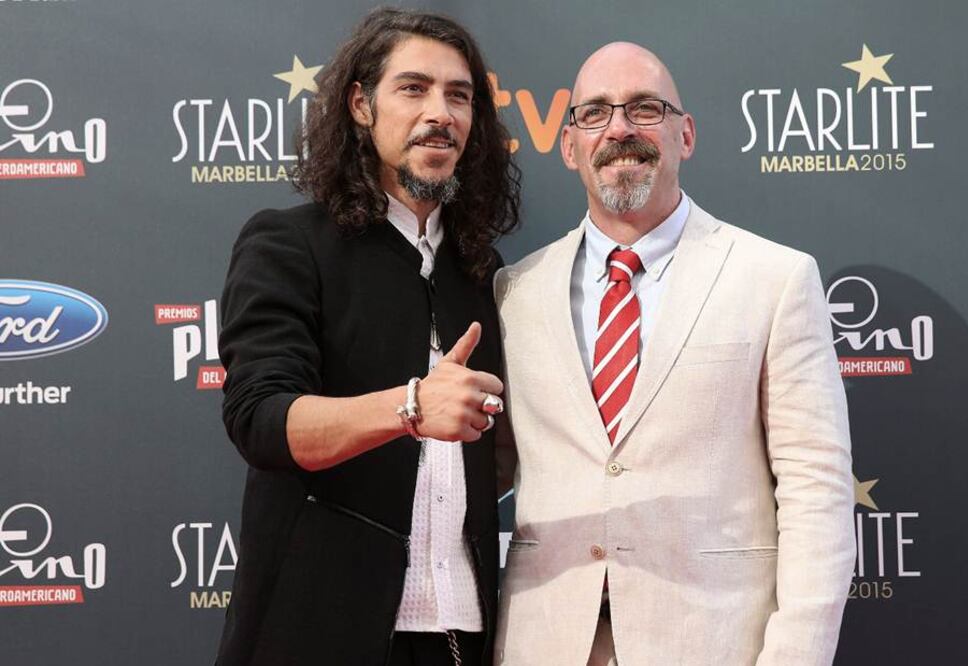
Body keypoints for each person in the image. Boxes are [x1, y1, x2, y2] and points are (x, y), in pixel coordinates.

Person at [493, 42, 854, 666]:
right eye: (595, 113)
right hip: (545, 641)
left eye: (644, 108)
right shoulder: (514, 291)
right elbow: (489, 472)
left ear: (685, 135)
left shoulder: (775, 279)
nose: (620, 129)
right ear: (569, 145)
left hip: (714, 643)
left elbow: (816, 488)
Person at [215, 9, 520, 666]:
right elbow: (261, 421)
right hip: (316, 633)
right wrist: (411, 407)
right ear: (361, 104)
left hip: (463, 633)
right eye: (413, 89)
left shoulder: (482, 270)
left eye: (459, 95)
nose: (439, 113)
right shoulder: (289, 244)